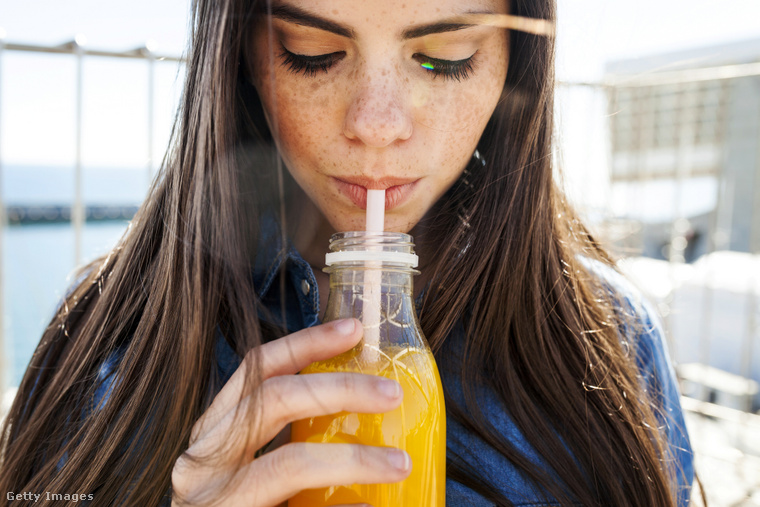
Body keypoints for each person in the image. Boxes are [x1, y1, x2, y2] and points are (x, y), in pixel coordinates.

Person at [0, 0, 696, 505]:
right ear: (242, 46)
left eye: (444, 56)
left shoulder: (611, 336)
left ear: (518, 62)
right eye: (311, 50)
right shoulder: (103, 343)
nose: (377, 125)